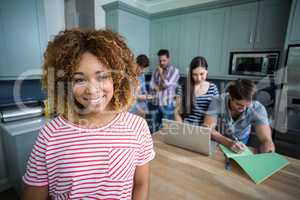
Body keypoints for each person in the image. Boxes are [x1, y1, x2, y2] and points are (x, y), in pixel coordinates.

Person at [22, 29, 155, 200]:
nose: (92, 90)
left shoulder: (138, 128)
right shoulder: (50, 135)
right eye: (79, 80)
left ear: (118, 79)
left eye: (102, 76)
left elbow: (140, 184)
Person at [204, 79, 275, 153]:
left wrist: (268, 148)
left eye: (247, 105)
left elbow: (266, 139)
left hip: (242, 139)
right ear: (230, 97)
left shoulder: (257, 108)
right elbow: (209, 129)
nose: (243, 108)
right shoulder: (217, 101)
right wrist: (228, 142)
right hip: (220, 138)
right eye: (239, 104)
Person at [175, 56, 219, 125]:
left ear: (207, 71)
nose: (198, 78)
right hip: (185, 128)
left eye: (202, 74)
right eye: (195, 74)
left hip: (203, 130)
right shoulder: (183, 87)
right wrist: (181, 128)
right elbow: (177, 112)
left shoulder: (213, 89)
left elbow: (213, 115)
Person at [149, 49, 179, 120]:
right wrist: (158, 87)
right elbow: (151, 85)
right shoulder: (155, 71)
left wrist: (161, 74)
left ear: (168, 59)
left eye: (164, 60)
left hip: (168, 104)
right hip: (156, 102)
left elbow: (167, 85)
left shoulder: (175, 71)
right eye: (160, 61)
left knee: (167, 128)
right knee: (155, 126)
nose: (162, 63)